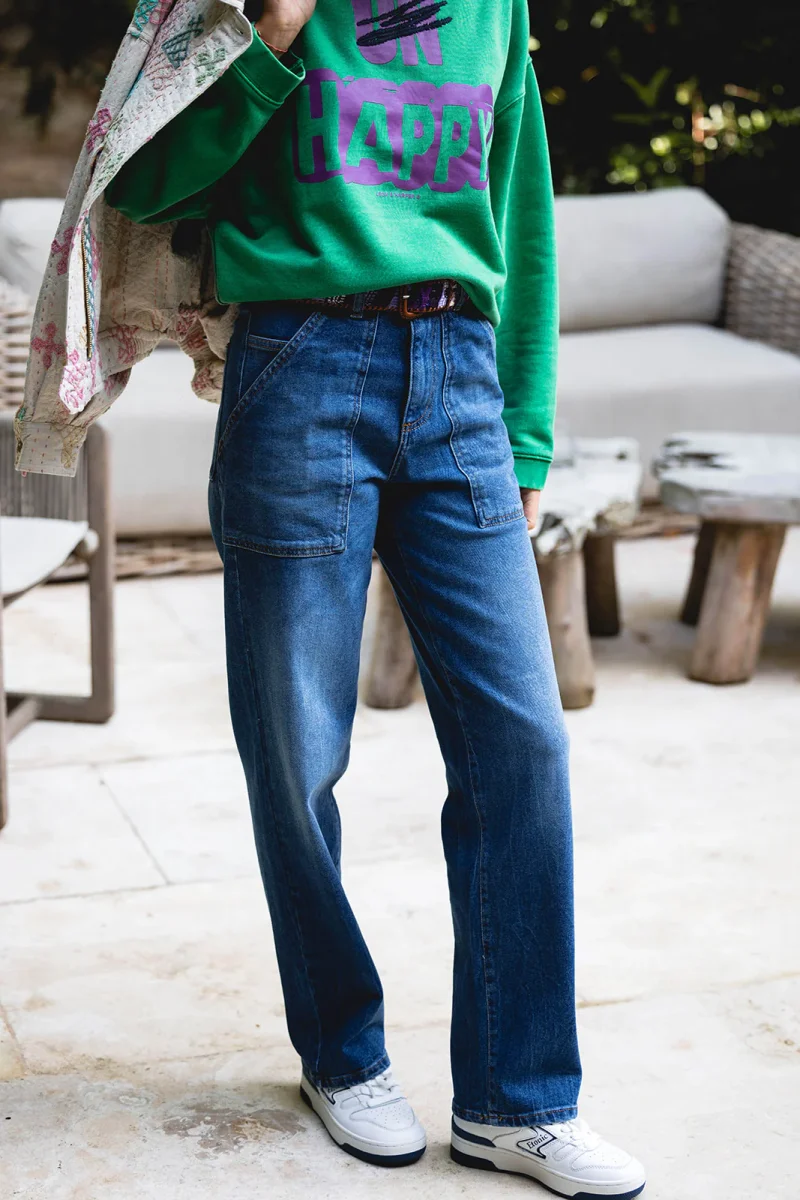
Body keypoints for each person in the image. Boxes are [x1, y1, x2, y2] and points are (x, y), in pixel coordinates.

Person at [106, 1, 645, 1194]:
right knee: (297, 749)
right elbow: (143, 181)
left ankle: (516, 1101)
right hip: (298, 368)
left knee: (521, 742)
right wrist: (270, 36)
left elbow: (517, 207)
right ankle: (340, 1053)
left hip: (458, 375)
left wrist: (525, 425)